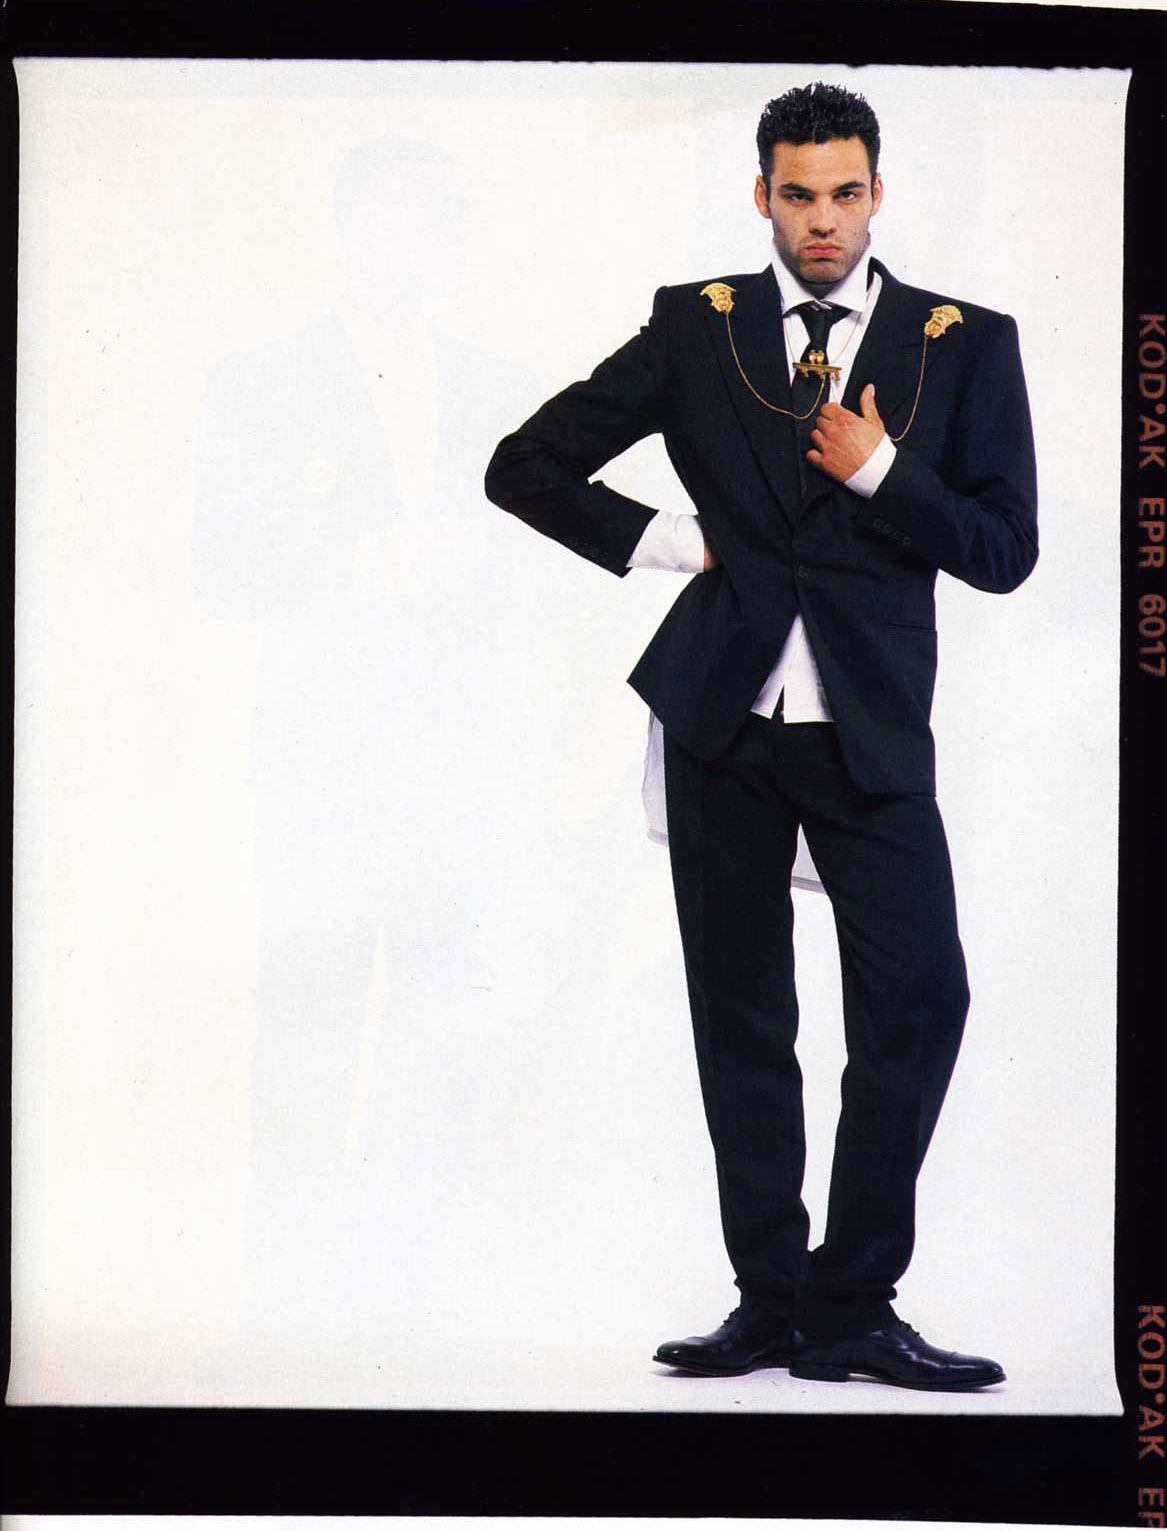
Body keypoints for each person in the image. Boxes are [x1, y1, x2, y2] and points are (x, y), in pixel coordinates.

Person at [484, 82, 1037, 1392]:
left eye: (846, 193)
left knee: (924, 997)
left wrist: (883, 472)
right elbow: (524, 465)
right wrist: (678, 542)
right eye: (798, 194)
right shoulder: (699, 326)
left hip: (869, 730)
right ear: (763, 196)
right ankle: (773, 1302)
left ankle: (854, 1303)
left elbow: (1006, 550)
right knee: (741, 1014)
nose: (823, 220)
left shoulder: (966, 342)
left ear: (878, 193)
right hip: (720, 721)